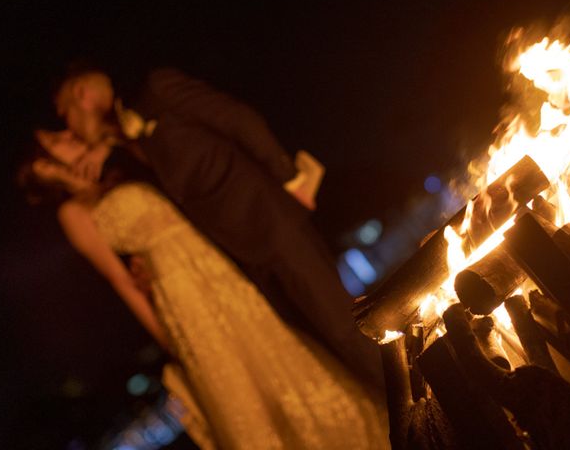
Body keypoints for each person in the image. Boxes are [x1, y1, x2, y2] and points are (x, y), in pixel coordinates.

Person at [21, 135, 390, 449]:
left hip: (215, 270)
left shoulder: (111, 173)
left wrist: (103, 145)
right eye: (54, 143)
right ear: (48, 167)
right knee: (238, 377)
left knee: (273, 347)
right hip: (181, 292)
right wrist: (170, 339)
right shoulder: (73, 212)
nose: (65, 137)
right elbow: (121, 280)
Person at [50, 64, 384, 389]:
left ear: (82, 95)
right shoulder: (122, 139)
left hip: (270, 223)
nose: (71, 130)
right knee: (321, 346)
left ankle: (418, 402)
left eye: (65, 117)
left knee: (343, 327)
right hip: (240, 258)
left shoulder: (157, 89)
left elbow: (236, 118)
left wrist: (290, 178)